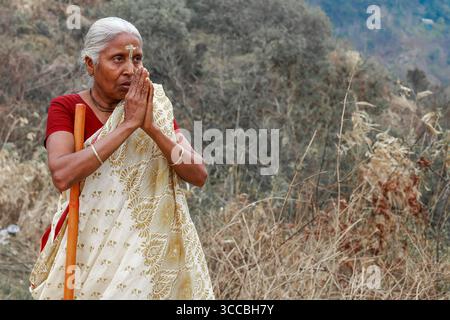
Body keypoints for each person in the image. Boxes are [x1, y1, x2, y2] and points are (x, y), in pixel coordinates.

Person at [29, 17, 215, 300]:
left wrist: (150, 126)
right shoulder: (67, 107)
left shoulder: (155, 107)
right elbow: (62, 175)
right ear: (91, 65)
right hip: (84, 251)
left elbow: (198, 174)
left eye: (137, 59)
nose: (130, 69)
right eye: (118, 59)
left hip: (146, 260)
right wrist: (128, 125)